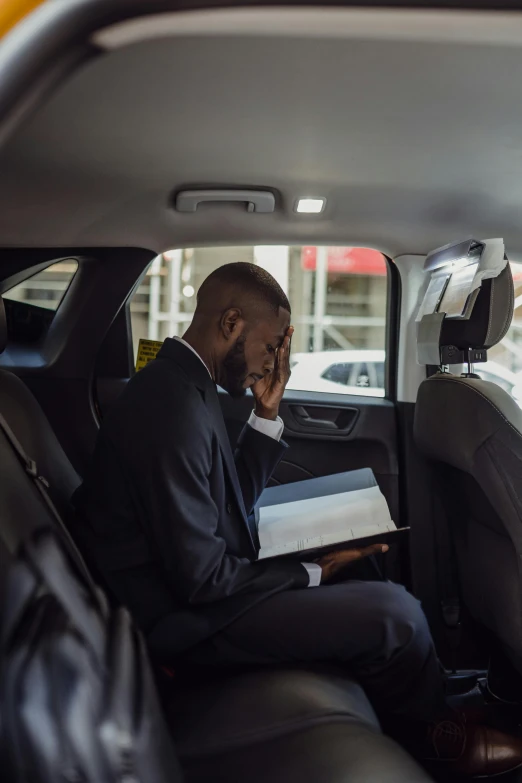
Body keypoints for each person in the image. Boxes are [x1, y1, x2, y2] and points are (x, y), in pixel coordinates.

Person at [71, 262, 522, 777]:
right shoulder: (168, 405)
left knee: (363, 565)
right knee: (394, 614)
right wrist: (312, 571)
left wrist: (267, 413)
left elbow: (224, 502)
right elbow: (201, 579)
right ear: (231, 323)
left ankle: (435, 698)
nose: (273, 364)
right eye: (271, 347)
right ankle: (436, 740)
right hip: (182, 623)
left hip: (195, 592)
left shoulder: (186, 385)